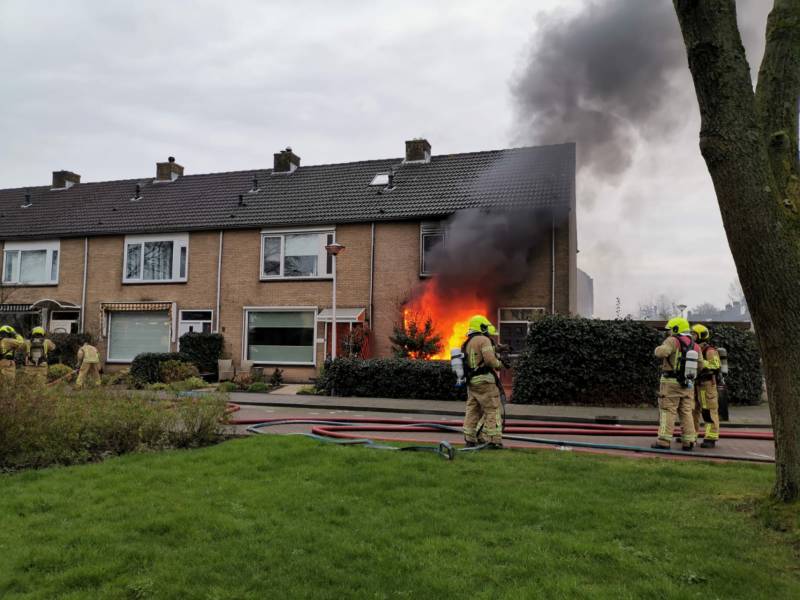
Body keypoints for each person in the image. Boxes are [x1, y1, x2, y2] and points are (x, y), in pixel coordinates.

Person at [651, 317, 699, 451]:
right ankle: (689, 442)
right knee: (686, 411)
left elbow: (662, 352)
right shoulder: (695, 344)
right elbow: (700, 364)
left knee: (668, 410)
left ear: (676, 328)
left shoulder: (672, 340)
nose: (669, 332)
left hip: (670, 383)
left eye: (671, 329)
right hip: (688, 383)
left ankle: (664, 441)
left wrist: (657, 348)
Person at [461, 315, 505, 449]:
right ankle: (494, 440)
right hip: (486, 381)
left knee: (473, 410)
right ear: (481, 327)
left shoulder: (468, 342)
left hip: (472, 382)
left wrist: (499, 348)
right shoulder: (484, 339)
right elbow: (490, 360)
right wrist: (501, 364)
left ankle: (470, 439)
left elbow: (478, 355)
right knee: (493, 409)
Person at [691, 324, 721, 448]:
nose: (692, 336)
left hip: (707, 385)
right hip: (696, 385)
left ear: (701, 336)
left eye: (694, 334)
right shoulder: (693, 349)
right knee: (692, 410)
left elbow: (716, 365)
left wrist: (701, 362)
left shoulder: (710, 350)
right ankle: (691, 435)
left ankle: (710, 437)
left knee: (708, 411)